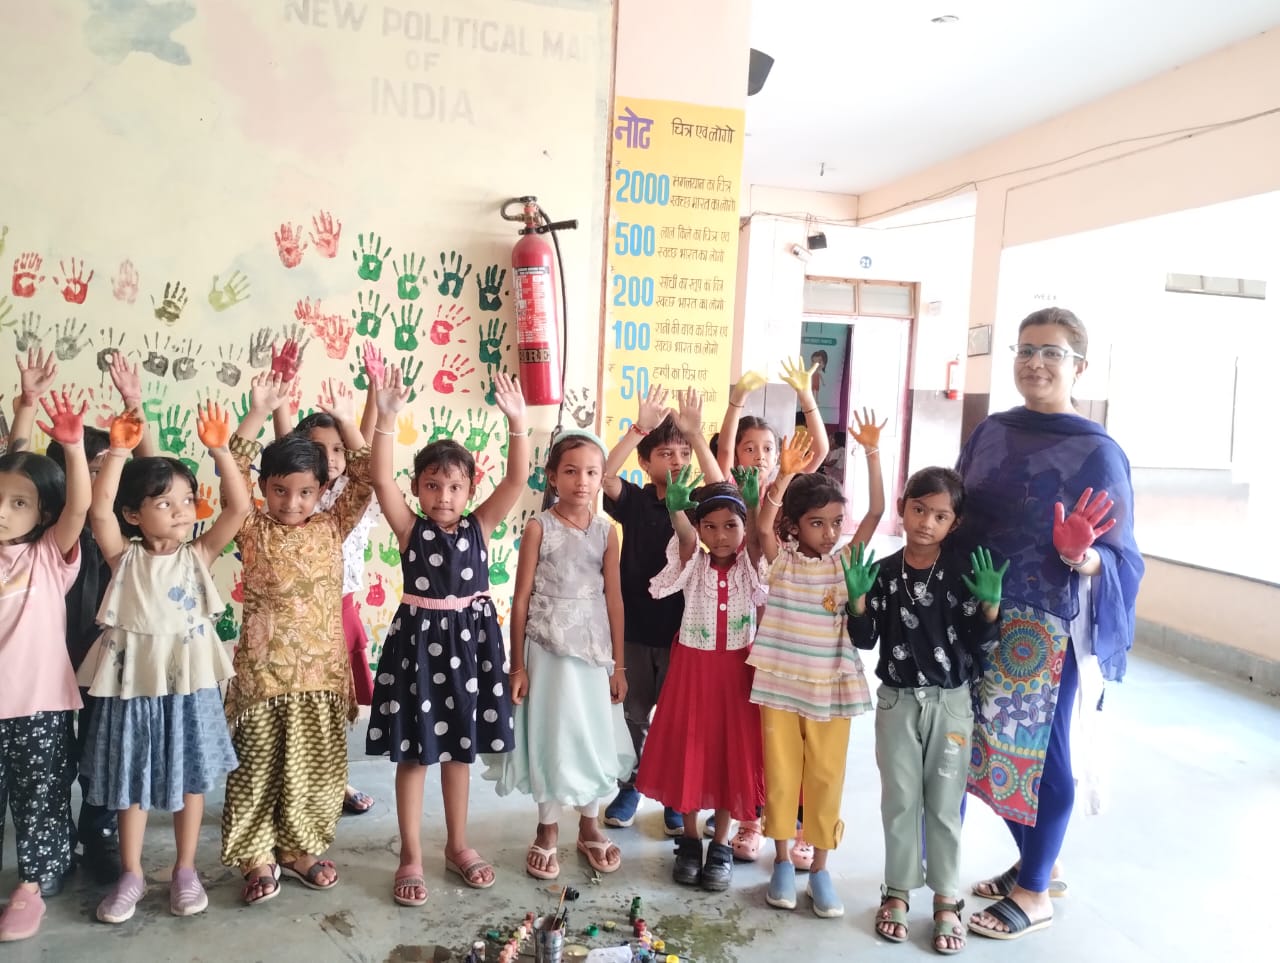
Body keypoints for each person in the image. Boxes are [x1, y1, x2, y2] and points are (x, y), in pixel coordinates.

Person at [958, 307, 1144, 941]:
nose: (1035, 362)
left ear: (1079, 367)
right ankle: (1041, 862)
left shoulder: (1098, 451)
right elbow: (959, 508)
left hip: (1044, 625)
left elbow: (1120, 556)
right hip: (977, 608)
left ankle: (1035, 892)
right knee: (988, 749)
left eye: (1052, 353)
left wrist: (1079, 555)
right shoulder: (990, 431)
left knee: (1041, 754)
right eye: (1026, 349)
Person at [364, 367, 529, 906]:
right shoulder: (410, 528)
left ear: (469, 490)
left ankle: (458, 844)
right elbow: (380, 480)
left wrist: (517, 423)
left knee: (460, 752)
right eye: (432, 485)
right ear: (417, 488)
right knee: (414, 755)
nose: (443, 495)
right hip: (418, 652)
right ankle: (410, 854)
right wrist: (387, 417)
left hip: (472, 651)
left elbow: (517, 480)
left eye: (455, 486)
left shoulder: (481, 526)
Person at [78, 404, 248, 924]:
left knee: (190, 778)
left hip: (189, 685)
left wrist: (221, 450)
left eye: (186, 500)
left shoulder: (198, 554)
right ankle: (131, 874)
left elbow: (239, 508)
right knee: (130, 781)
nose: (181, 510)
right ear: (134, 515)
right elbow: (99, 511)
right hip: (132, 684)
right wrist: (119, 451)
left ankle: (184, 870)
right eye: (164, 502)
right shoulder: (122, 557)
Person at [219, 366, 373, 905]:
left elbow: (366, 478)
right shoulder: (249, 524)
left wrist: (350, 422)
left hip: (321, 680)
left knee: (317, 771)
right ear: (264, 487)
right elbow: (232, 467)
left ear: (323, 490)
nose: (291, 503)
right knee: (256, 770)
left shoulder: (333, 525)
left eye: (306, 492)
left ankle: (299, 849)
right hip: (263, 681)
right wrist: (258, 413)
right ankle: (256, 856)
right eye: (280, 491)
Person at [846, 467, 1005, 953]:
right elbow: (866, 640)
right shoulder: (884, 573)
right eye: (918, 510)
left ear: (954, 523)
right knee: (900, 801)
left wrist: (990, 608)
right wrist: (858, 602)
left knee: (943, 805)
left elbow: (981, 646)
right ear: (902, 507)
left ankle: (946, 899)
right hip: (897, 701)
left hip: (951, 704)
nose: (926, 523)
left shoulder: (961, 573)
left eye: (940, 516)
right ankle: (896, 891)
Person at [485, 430, 633, 881]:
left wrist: (619, 665)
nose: (581, 481)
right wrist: (517, 665)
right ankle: (547, 827)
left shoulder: (607, 532)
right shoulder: (539, 528)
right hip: (546, 651)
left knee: (590, 736)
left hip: (594, 653)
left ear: (602, 477)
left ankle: (589, 825)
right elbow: (521, 599)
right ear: (552, 477)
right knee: (552, 736)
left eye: (591, 472)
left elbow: (615, 600)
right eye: (570, 471)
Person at [748, 430, 881, 920]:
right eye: (817, 523)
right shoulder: (781, 562)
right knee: (782, 776)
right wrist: (784, 474)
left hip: (832, 689)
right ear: (797, 524)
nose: (830, 533)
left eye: (836, 523)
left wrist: (872, 452)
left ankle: (820, 869)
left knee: (826, 778)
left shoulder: (845, 563)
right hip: (780, 684)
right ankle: (782, 861)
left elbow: (876, 512)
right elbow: (764, 524)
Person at [44, 352, 158, 885]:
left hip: (105, 656)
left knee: (101, 743)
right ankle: (53, 836)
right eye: (84, 471)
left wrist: (135, 404)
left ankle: (99, 831)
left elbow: (155, 472)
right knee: (53, 752)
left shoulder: (121, 536)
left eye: (100, 471)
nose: (94, 482)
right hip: (47, 655)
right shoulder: (46, 535)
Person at [712, 360, 831, 862]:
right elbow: (719, 452)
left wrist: (806, 397)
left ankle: (799, 823)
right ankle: (750, 817)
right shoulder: (730, 493)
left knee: (793, 726)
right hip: (743, 626)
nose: (758, 456)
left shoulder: (792, 493)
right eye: (749, 447)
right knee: (752, 726)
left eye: (767, 448)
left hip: (789, 627)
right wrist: (736, 399)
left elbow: (819, 450)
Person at [636, 469, 766, 893]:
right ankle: (690, 841)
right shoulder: (693, 562)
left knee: (731, 754)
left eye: (731, 525)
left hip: (738, 672)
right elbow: (687, 539)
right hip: (692, 670)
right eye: (710, 526)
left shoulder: (749, 563)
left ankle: (722, 843)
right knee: (690, 750)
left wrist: (756, 505)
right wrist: (677, 513)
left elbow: (759, 543)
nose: (720, 535)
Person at [274, 341, 383, 817]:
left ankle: (335, 780)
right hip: (295, 619)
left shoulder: (356, 498)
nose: (332, 458)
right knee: (293, 706)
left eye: (339, 448)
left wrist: (375, 390)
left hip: (341, 614)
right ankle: (286, 783)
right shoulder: (300, 498)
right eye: (320, 450)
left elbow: (367, 449)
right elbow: (284, 447)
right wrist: (280, 392)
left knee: (335, 708)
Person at [0, 391, 90, 942]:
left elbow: (78, 508)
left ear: (44, 514)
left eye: (20, 504)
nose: (3, 511)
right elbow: (12, 465)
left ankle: (32, 885)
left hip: (38, 707)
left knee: (40, 798)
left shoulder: (48, 556)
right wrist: (26, 409)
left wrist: (73, 448)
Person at [600, 385, 700, 837]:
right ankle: (632, 786)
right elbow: (603, 476)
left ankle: (676, 797)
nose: (676, 460)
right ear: (645, 462)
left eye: (683, 452)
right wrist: (638, 428)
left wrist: (696, 437)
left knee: (678, 722)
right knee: (634, 716)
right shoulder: (637, 501)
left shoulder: (698, 504)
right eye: (665, 453)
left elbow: (723, 486)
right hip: (636, 631)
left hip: (684, 632)